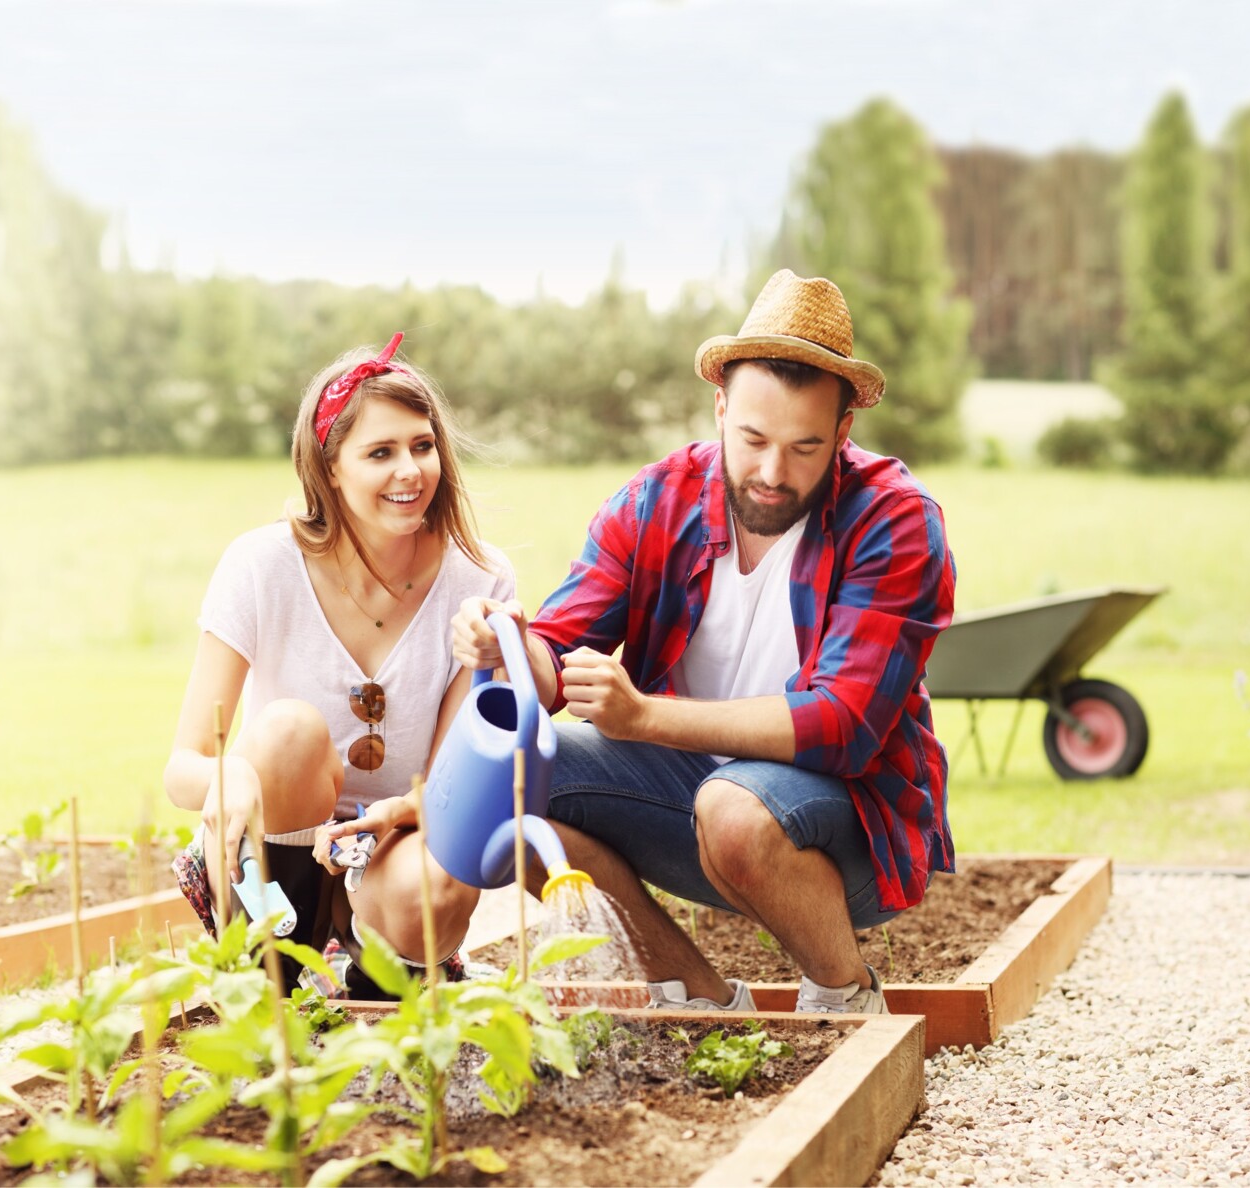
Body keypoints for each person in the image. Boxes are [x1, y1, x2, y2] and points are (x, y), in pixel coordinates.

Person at [452, 270, 957, 1014]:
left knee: (734, 809)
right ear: (719, 404)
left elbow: (843, 726)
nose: (772, 473)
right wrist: (507, 642)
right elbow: (554, 659)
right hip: (686, 804)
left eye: (805, 447)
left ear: (844, 433)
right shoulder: (655, 500)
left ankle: (845, 997)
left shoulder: (895, 520)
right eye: (752, 439)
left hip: (841, 833)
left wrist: (646, 717)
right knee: (515, 789)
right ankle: (699, 997)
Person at [165, 333, 514, 992]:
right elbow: (181, 767)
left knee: (433, 885)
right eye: (380, 453)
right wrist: (227, 778)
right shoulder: (261, 565)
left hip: (395, 844)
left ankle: (383, 1000)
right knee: (286, 732)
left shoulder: (481, 581)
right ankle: (273, 990)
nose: (410, 471)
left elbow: (447, 789)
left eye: (422, 445)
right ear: (330, 469)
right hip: (277, 839)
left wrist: (394, 818)